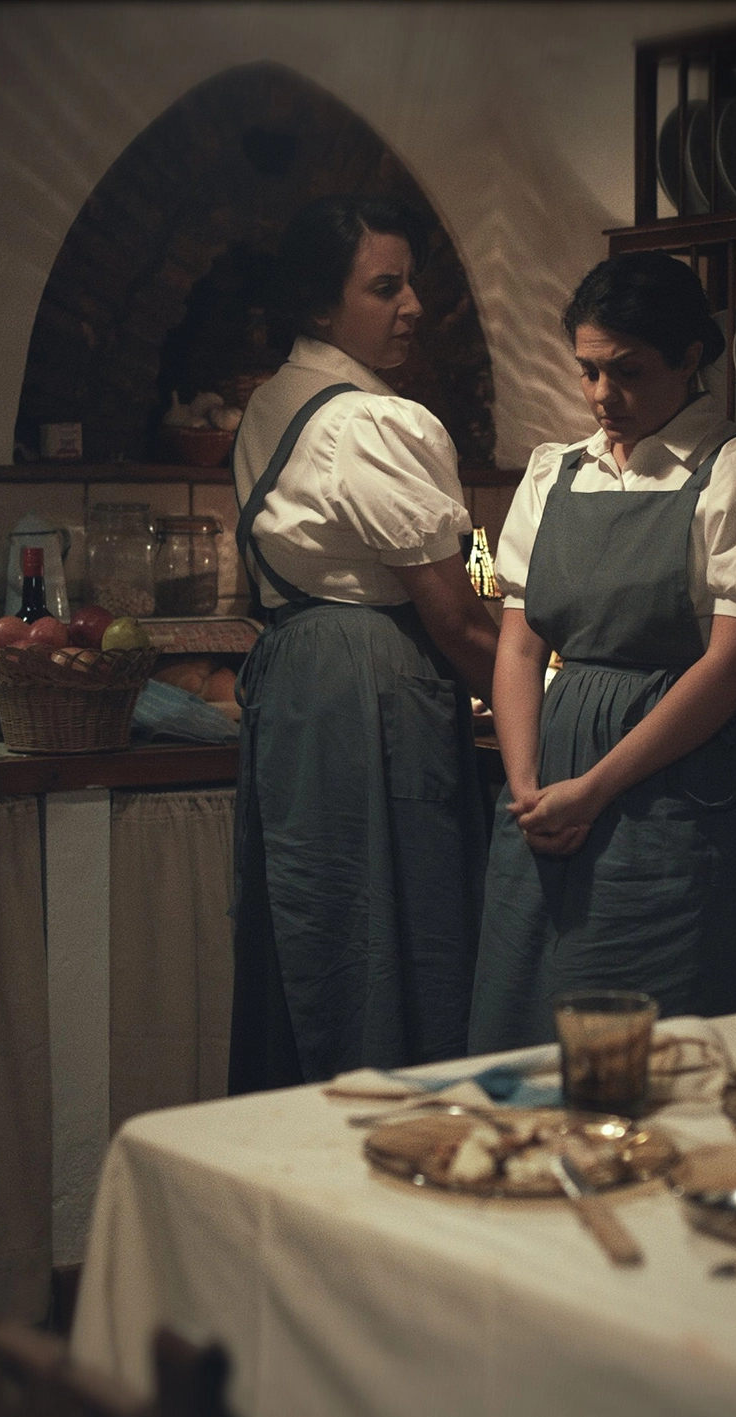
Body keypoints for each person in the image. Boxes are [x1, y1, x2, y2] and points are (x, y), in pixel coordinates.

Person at [468, 252, 736, 1052]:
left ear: (689, 357)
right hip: (550, 780)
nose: (601, 395)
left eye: (627, 371)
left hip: (668, 780)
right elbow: (519, 646)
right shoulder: (556, 473)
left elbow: (730, 665)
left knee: (651, 1029)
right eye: (588, 371)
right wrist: (526, 783)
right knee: (526, 1018)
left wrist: (594, 788)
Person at [227, 194, 500, 1093]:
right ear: (319, 305)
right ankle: (393, 1130)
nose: (412, 306)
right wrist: (546, 702)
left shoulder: (273, 402)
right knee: (389, 936)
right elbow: (458, 619)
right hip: (366, 687)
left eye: (410, 284)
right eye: (386, 288)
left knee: (309, 930)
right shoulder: (371, 422)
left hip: (301, 682)